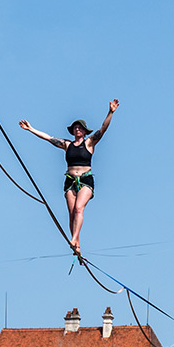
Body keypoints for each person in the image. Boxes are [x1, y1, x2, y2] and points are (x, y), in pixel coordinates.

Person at [19, 99, 119, 254]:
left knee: (79, 208)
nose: (77, 130)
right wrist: (31, 129)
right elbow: (48, 138)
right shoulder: (67, 145)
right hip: (70, 180)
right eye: (75, 128)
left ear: (85, 131)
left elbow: (103, 129)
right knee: (72, 213)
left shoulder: (90, 143)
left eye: (80, 128)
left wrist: (110, 112)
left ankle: (74, 239)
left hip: (85, 179)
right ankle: (77, 245)